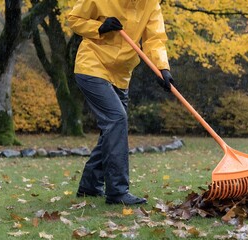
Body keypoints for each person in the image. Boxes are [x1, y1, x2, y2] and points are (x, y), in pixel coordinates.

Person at [68, 0, 174, 205]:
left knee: (113, 129)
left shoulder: (151, 4)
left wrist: (162, 68)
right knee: (116, 120)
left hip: (122, 75)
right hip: (92, 65)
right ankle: (117, 191)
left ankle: (89, 187)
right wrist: (99, 26)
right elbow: (74, 19)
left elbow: (154, 40)